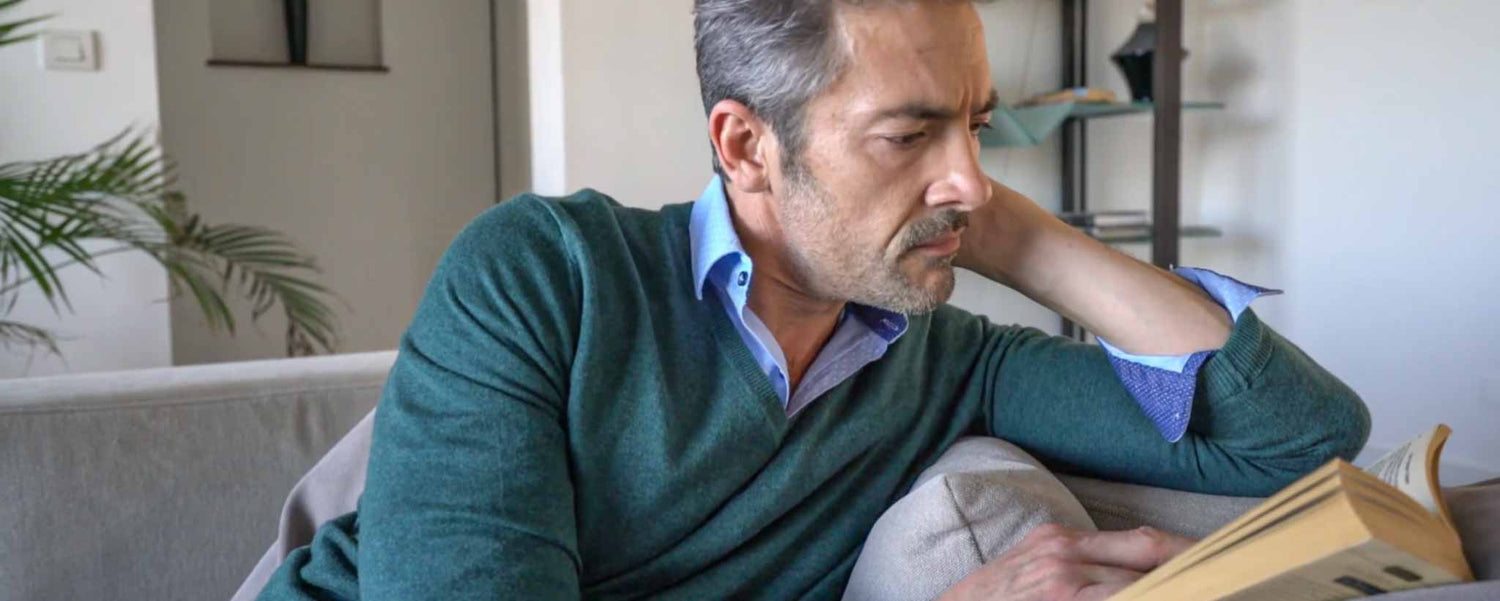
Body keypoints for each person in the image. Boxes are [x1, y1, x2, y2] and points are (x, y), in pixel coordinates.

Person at [256, 1, 1369, 599]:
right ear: (746, 146)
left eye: (976, 122)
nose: (969, 175)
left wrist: (1021, 240)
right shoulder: (544, 273)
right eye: (908, 130)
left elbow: (1303, 439)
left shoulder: (947, 363)